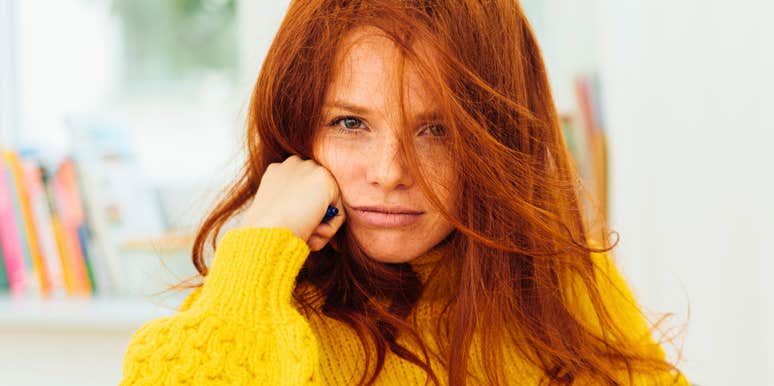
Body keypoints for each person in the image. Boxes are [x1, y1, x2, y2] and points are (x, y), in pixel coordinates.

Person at [120, 1, 689, 385]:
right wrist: (260, 245)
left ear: (498, 141)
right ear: (296, 128)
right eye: (349, 123)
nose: (390, 172)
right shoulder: (254, 304)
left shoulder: (562, 287)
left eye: (436, 130)